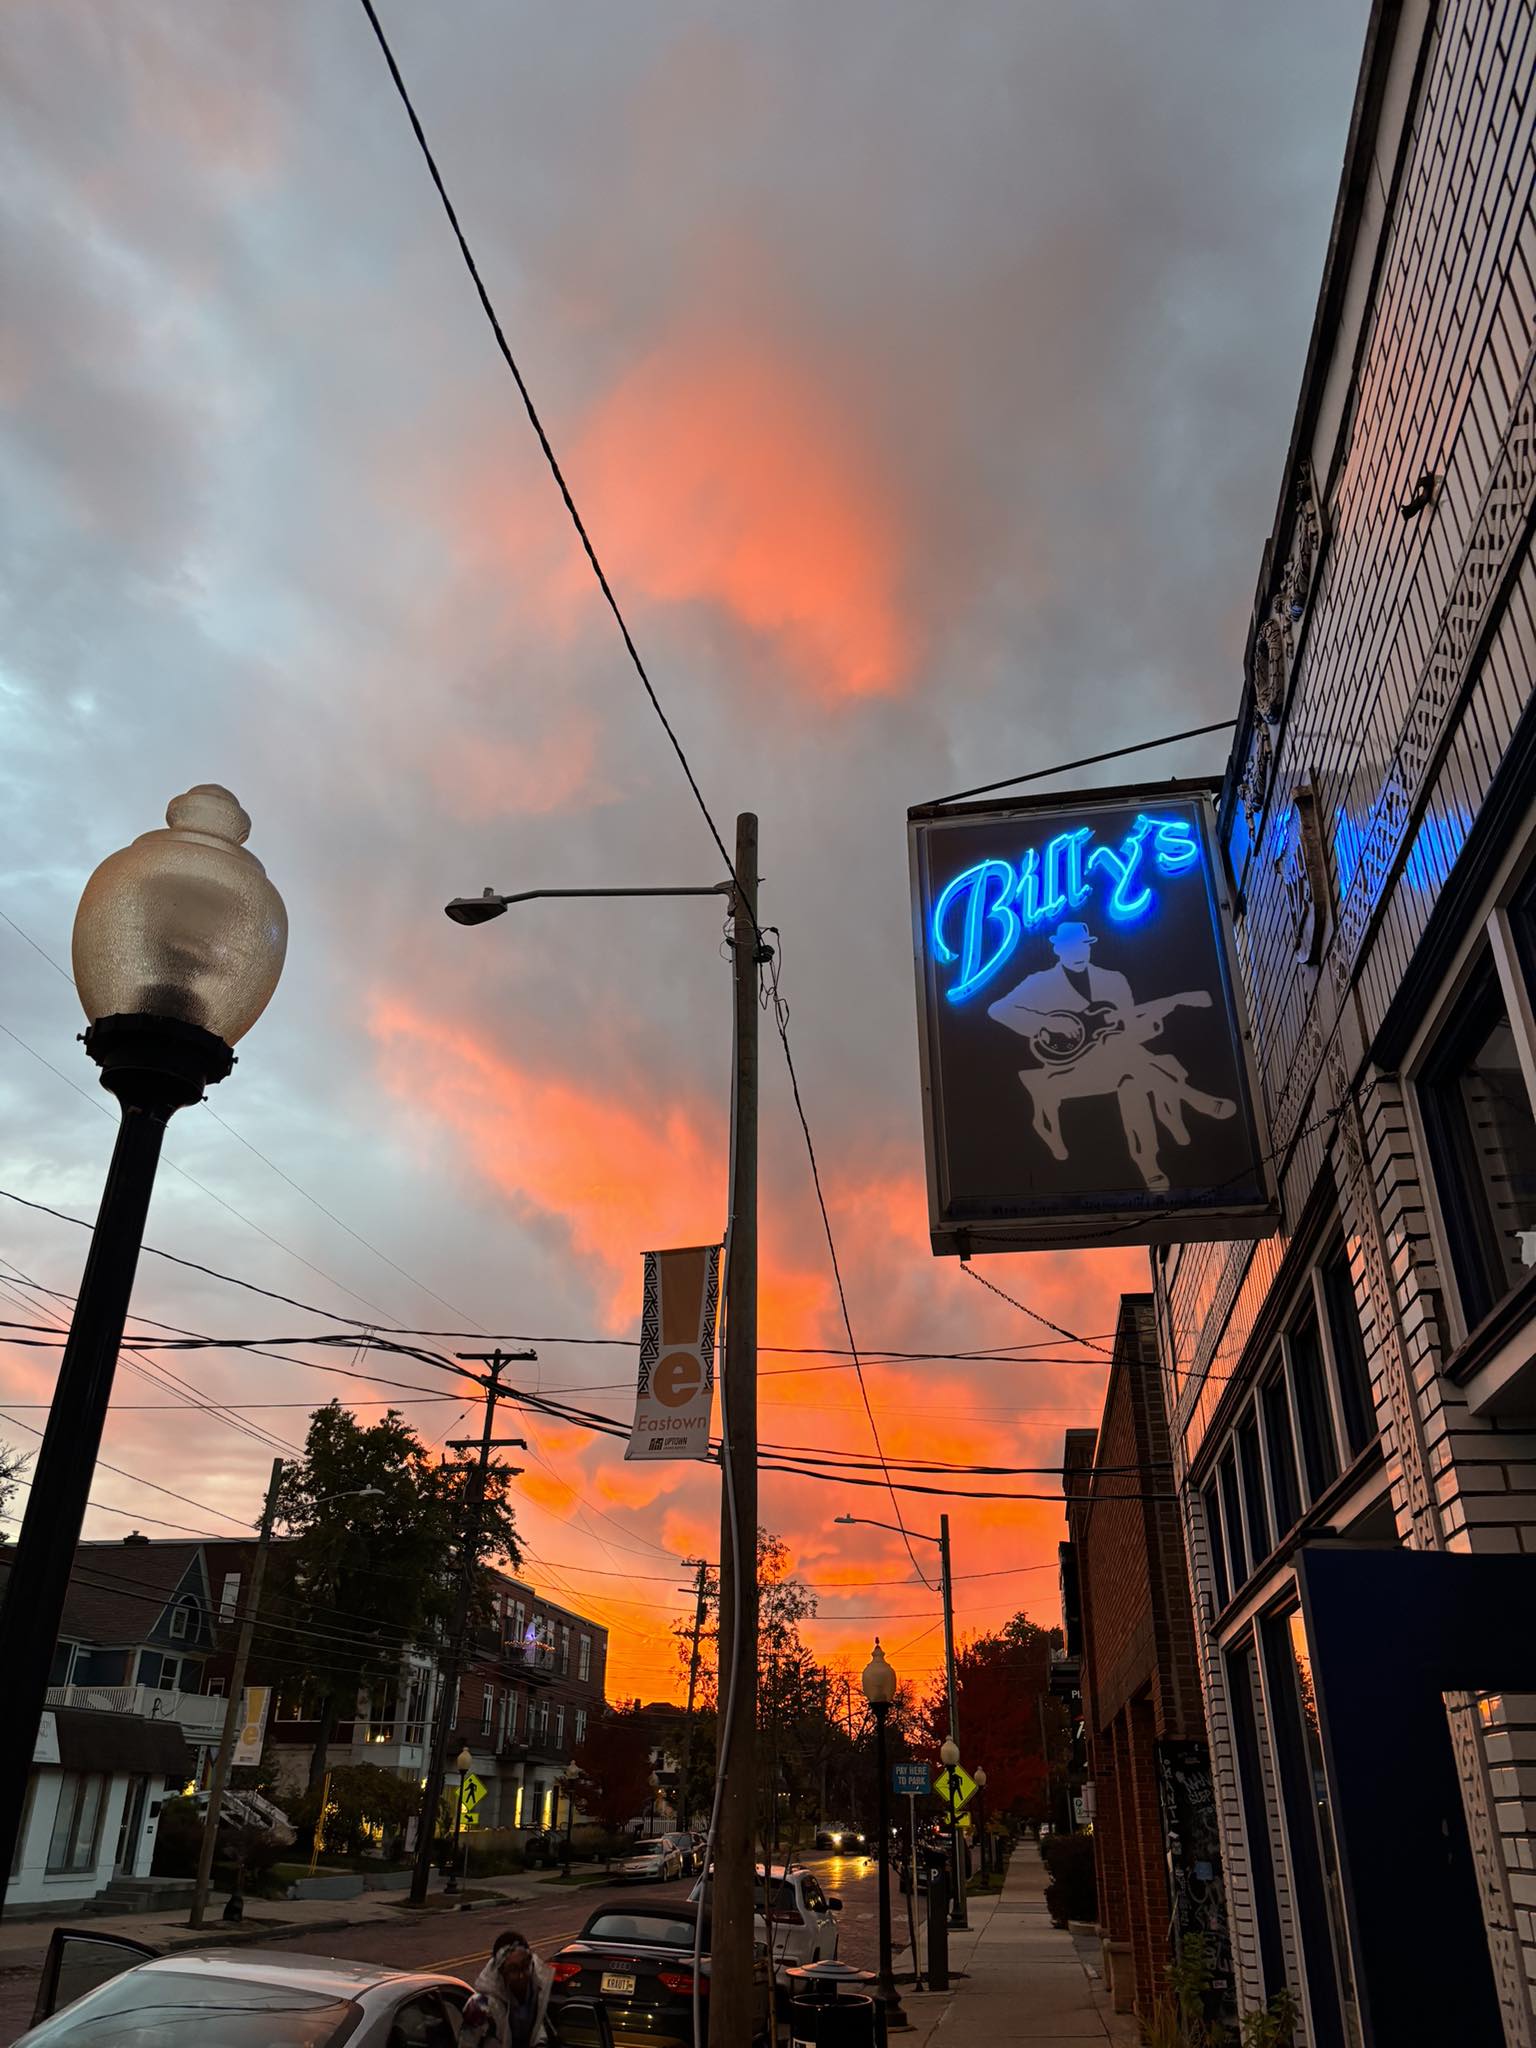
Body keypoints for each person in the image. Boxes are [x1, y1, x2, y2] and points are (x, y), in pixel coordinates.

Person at [986, 920, 1235, 1191]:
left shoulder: (1113, 980)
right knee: (1131, 1064)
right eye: (1072, 948)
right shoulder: (1039, 983)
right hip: (1067, 1067)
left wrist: (1155, 1019)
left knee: (1130, 1075)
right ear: (1058, 950)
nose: (1080, 953)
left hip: (1118, 1062)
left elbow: (1127, 1029)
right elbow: (998, 1010)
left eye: (1084, 946)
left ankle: (1148, 1163)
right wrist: (1047, 1022)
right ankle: (1194, 1099)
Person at [459, 1930, 553, 2048]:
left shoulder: (535, 1995)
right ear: (501, 1971)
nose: (521, 1976)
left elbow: (538, 2027)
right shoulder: (480, 2005)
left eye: (524, 1967)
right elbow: (466, 2043)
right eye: (514, 1969)